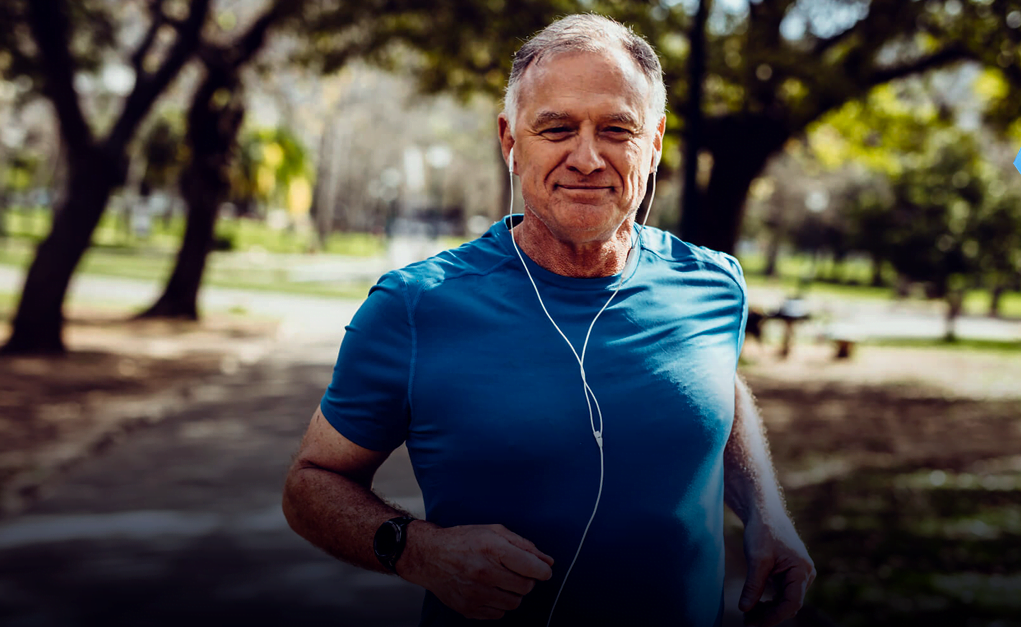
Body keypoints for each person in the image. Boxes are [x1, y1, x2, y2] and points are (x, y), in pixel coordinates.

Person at [282, 13, 815, 627]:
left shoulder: (715, 285)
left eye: (617, 129)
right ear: (510, 141)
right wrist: (418, 550)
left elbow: (715, 385)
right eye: (556, 128)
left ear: (655, 142)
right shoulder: (414, 306)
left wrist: (767, 514)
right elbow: (310, 483)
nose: (586, 158)